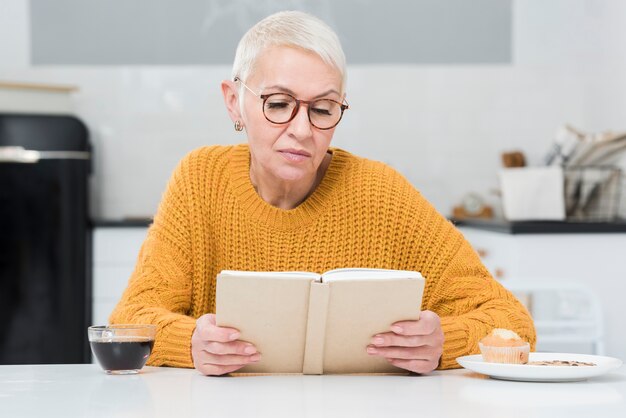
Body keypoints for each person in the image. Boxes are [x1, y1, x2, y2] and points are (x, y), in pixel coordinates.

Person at [110, 10, 535, 376]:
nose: (301, 130)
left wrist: (444, 343)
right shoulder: (200, 180)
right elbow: (130, 320)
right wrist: (192, 344)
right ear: (234, 102)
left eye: (322, 109)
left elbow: (514, 323)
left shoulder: (382, 194)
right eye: (278, 103)